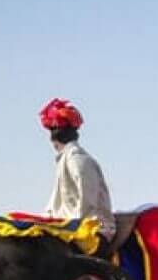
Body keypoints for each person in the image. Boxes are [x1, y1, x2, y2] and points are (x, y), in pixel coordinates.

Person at [40, 97, 116, 243]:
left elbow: (87, 204)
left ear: (53, 138)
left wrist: (73, 226)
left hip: (91, 229)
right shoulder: (66, 159)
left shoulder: (77, 159)